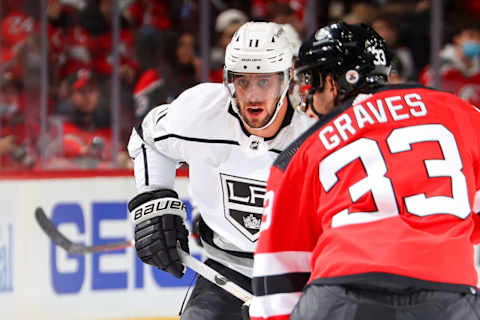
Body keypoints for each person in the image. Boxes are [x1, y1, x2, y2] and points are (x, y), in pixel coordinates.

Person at [249, 21, 480, 320]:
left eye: (311, 81)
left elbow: (278, 270)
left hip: (341, 295)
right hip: (448, 294)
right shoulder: (460, 112)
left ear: (334, 83)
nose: (306, 99)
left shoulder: (303, 149)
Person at [127, 22, 315, 320]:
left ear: (286, 79)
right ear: (228, 80)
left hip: (306, 278)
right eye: (243, 81)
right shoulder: (201, 110)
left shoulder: (318, 128)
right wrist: (154, 199)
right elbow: (147, 137)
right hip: (227, 272)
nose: (252, 95)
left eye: (264, 81)